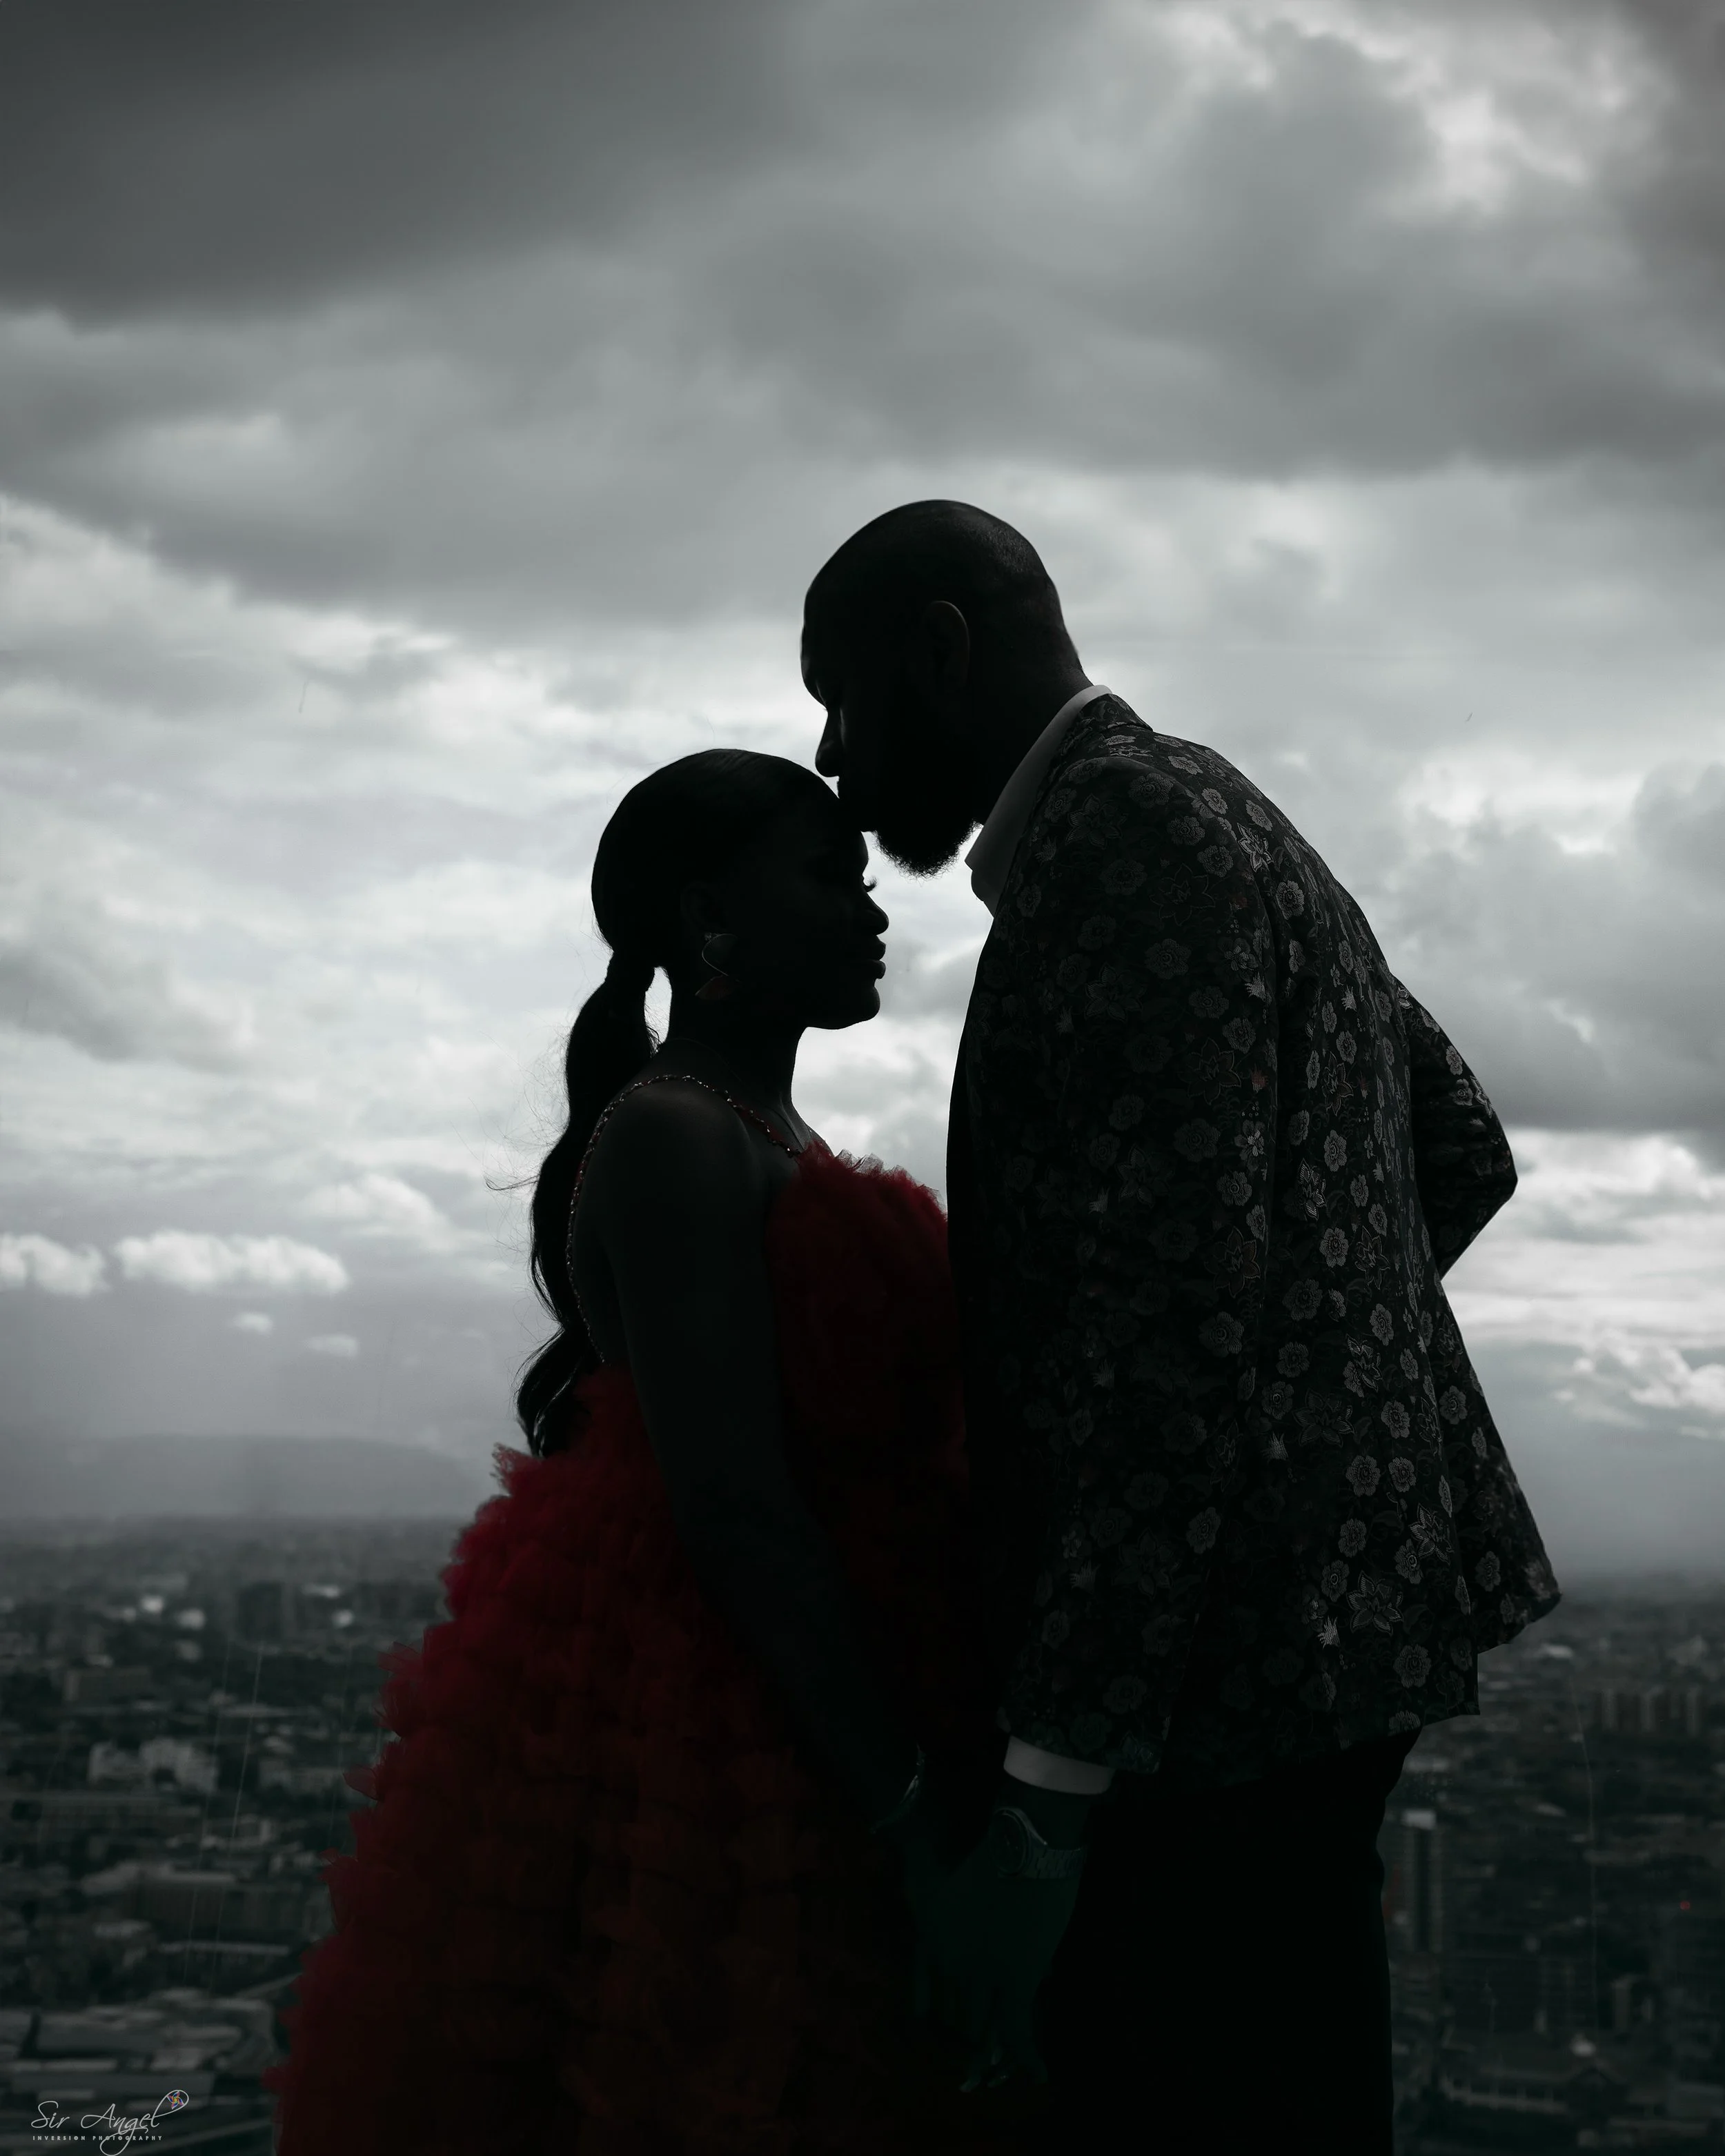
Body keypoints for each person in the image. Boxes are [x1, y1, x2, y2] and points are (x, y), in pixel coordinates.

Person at [803, 502, 1563, 2152]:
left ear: (938, 651)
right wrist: (1322, 1369)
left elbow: (1168, 1331)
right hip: (1320, 1632)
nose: (832, 763)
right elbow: (1459, 1144)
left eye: (842, 703)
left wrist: (1049, 1782)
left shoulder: (1120, 851)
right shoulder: (1216, 810)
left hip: (1204, 1675)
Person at [264, 747, 1032, 2155]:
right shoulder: (678, 1138)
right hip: (734, 1699)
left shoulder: (743, 1131)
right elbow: (734, 1505)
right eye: (829, 878)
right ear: (705, 916)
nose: (870, 913)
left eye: (864, 881)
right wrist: (913, 1814)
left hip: (810, 1673)